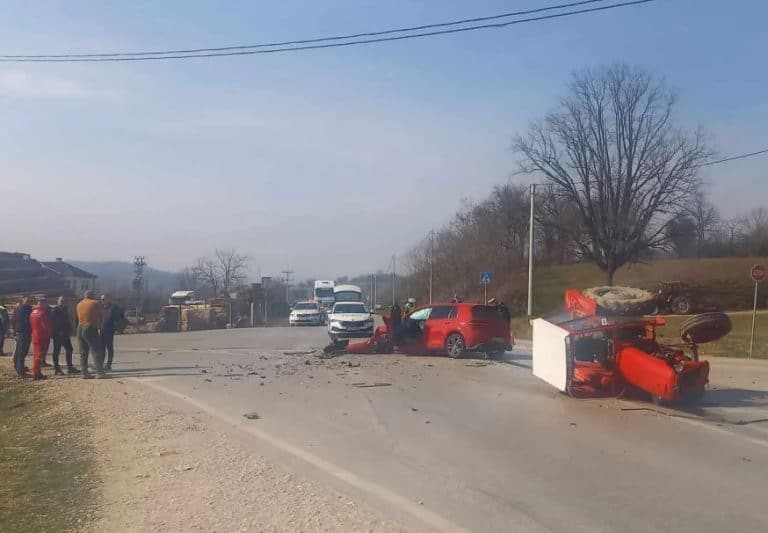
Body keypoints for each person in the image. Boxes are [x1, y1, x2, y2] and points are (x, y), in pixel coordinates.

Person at [76, 290, 106, 379]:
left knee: (83, 352)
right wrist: (99, 325)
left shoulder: (79, 304)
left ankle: (84, 372)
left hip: (80, 327)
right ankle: (100, 372)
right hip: (90, 327)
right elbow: (102, 314)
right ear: (92, 295)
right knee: (96, 350)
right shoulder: (95, 303)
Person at [51, 296, 79, 375]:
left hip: (65, 333)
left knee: (69, 349)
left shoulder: (65, 309)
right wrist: (57, 331)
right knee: (57, 351)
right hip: (58, 334)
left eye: (64, 301)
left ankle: (70, 367)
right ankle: (57, 369)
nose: (63, 302)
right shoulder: (55, 310)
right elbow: (52, 322)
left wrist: (70, 329)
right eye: (61, 301)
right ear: (58, 301)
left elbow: (67, 320)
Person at [29, 297, 53, 381]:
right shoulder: (42, 313)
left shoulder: (33, 312)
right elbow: (45, 326)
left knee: (36, 355)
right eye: (46, 303)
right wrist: (50, 334)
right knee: (39, 355)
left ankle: (37, 372)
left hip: (35, 334)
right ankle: (36, 373)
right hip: (42, 336)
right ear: (43, 303)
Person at [100, 293, 124, 372]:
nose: (102, 301)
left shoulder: (113, 308)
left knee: (109, 348)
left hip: (109, 330)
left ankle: (108, 365)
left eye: (103, 299)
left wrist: (118, 328)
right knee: (101, 349)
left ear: (108, 299)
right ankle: (100, 364)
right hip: (101, 330)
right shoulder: (101, 308)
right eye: (101, 299)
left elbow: (119, 319)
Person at [12, 297, 33, 378]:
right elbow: (28, 321)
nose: (28, 302)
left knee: (19, 352)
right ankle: (21, 372)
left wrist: (14, 331)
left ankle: (18, 369)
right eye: (27, 300)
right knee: (22, 352)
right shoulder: (26, 310)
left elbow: (13, 320)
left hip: (20, 332)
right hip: (23, 332)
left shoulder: (18, 309)